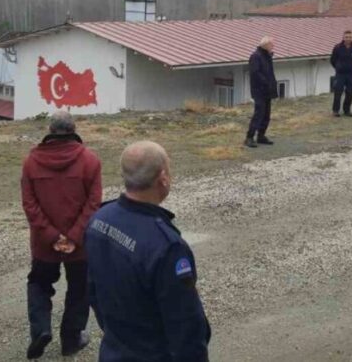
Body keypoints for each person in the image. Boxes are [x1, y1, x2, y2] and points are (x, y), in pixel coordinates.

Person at [86, 141, 210, 361]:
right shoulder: (167, 247)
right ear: (163, 178)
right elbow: (186, 326)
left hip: (114, 351)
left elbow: (93, 289)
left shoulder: (99, 219)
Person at [21, 110, 102, 359]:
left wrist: (52, 236)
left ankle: (41, 329)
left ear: (50, 131)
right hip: (80, 243)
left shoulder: (31, 162)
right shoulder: (90, 160)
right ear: (74, 129)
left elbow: (29, 204)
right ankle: (71, 339)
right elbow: (94, 203)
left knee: (39, 283)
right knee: (79, 288)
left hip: (44, 243)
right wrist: (74, 235)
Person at [245, 36, 278, 148]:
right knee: (259, 113)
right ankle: (249, 137)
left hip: (267, 90)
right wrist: (266, 82)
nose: (273, 47)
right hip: (259, 90)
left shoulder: (267, 56)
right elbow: (255, 73)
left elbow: (269, 72)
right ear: (266, 45)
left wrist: (272, 85)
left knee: (266, 114)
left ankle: (261, 136)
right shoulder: (256, 56)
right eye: (272, 44)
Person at [330, 30, 352, 117]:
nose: (348, 39)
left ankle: (347, 110)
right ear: (343, 37)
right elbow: (333, 60)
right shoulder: (337, 47)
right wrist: (338, 67)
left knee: (350, 92)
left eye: (350, 37)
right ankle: (335, 111)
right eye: (346, 37)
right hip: (340, 74)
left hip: (351, 74)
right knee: (338, 92)